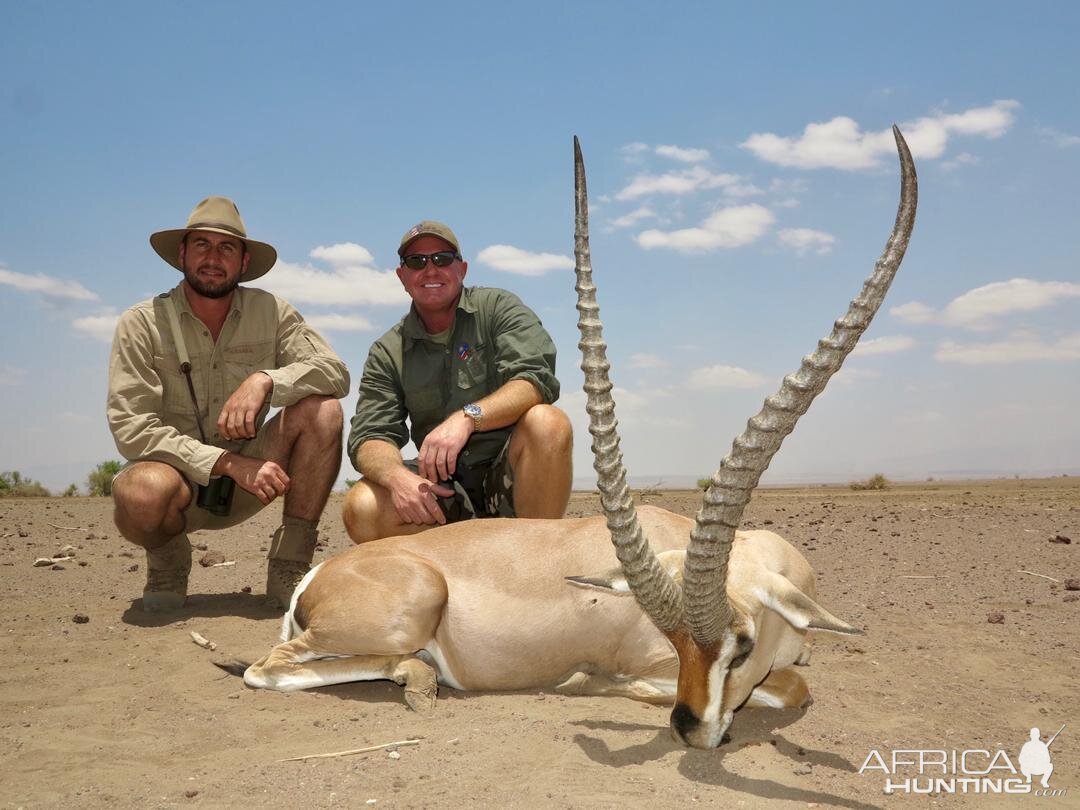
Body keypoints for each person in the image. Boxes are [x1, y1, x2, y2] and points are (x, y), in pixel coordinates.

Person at [107, 196, 349, 611]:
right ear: (182, 253)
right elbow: (132, 427)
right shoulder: (141, 323)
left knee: (324, 411)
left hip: (257, 478)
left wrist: (265, 380)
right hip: (179, 480)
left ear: (243, 261)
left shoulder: (272, 312)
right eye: (201, 244)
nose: (212, 258)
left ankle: (290, 564)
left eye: (226, 248)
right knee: (141, 493)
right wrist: (227, 463)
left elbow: (334, 372)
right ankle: (167, 561)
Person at [343, 220, 572, 542]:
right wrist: (396, 477)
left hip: (510, 475)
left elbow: (534, 379)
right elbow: (370, 435)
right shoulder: (387, 351)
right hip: (443, 488)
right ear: (402, 276)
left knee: (548, 421)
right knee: (362, 505)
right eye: (416, 262)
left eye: (442, 259)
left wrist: (467, 418)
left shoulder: (498, 308)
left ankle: (539, 555)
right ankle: (452, 571)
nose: (430, 270)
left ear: (462, 269)